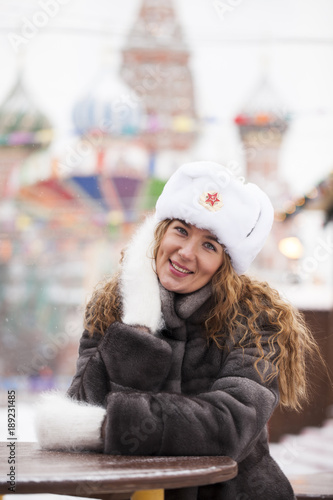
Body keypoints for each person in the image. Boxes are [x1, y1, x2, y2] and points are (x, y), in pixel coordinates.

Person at [35, 161, 320, 500]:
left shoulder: (257, 319)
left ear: (226, 264)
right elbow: (81, 407)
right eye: (181, 230)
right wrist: (138, 324)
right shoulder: (113, 306)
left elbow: (229, 427)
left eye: (210, 245)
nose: (186, 253)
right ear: (158, 233)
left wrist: (112, 426)